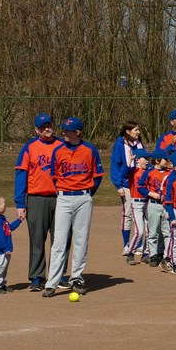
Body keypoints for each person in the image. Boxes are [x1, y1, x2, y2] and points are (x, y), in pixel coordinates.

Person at [42, 117, 104, 298]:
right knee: (58, 241)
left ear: (77, 132)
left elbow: (97, 176)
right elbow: (54, 177)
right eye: (63, 130)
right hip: (63, 198)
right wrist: (64, 192)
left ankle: (76, 278)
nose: (63, 133)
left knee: (80, 240)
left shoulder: (90, 150)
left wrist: (87, 194)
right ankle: (52, 282)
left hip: (84, 197)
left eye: (67, 130)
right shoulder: (58, 150)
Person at [14, 113, 64, 292]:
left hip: (61, 198)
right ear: (36, 130)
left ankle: (59, 274)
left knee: (61, 238)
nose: (46, 129)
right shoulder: (30, 147)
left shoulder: (62, 145)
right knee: (37, 239)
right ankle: (37, 276)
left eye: (48, 125)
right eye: (42, 127)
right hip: (36, 198)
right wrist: (20, 203)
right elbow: (21, 175)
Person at [110, 121, 145, 256]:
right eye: (136, 130)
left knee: (141, 212)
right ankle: (126, 244)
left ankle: (139, 244)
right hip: (126, 184)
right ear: (127, 131)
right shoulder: (120, 145)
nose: (138, 132)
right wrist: (118, 185)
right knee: (128, 213)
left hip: (139, 183)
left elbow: (145, 159)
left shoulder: (139, 143)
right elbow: (115, 166)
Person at [142, 149, 171, 267]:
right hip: (153, 204)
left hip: (165, 205)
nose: (167, 161)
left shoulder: (169, 173)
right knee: (153, 232)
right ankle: (153, 255)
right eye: (165, 159)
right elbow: (140, 186)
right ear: (158, 161)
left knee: (167, 231)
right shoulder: (149, 172)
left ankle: (166, 255)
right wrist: (150, 193)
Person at [0, 195, 22, 294]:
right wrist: (5, 248)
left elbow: (9, 228)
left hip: (5, 249)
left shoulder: (1, 219)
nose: (5, 206)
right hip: (0, 249)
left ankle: (1, 284)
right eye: (4, 204)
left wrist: (18, 220)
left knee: (3, 268)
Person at [123, 148, 151, 265]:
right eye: (146, 158)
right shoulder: (133, 172)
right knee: (139, 231)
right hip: (137, 203)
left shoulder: (149, 172)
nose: (148, 161)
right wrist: (130, 161)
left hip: (148, 202)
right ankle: (130, 253)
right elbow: (124, 173)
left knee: (149, 230)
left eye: (149, 158)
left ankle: (145, 254)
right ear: (138, 160)